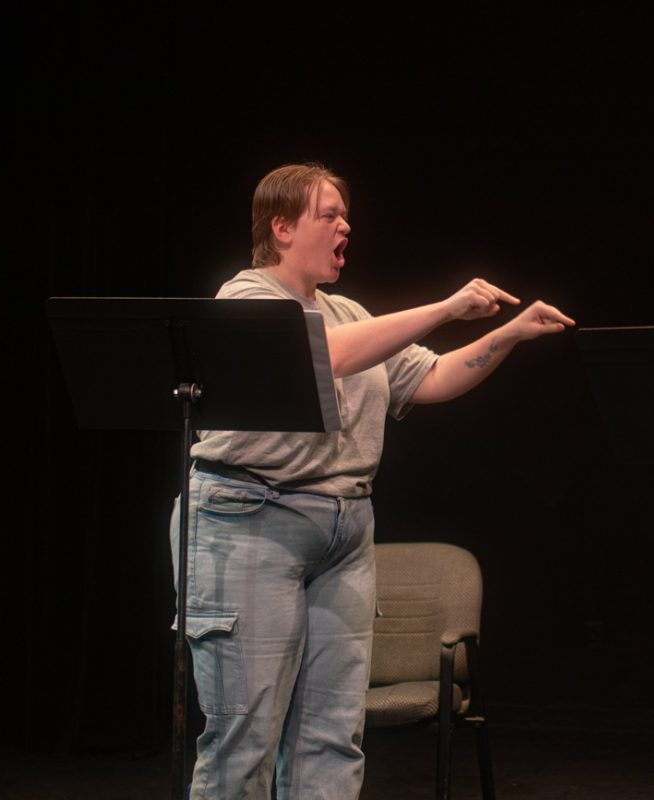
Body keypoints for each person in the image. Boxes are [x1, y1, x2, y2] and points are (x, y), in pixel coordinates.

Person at [169, 162, 574, 799]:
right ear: (281, 227)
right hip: (251, 519)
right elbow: (321, 357)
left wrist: (509, 335)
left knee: (332, 734)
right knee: (244, 734)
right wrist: (446, 305)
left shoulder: (347, 310)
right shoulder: (244, 298)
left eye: (344, 215)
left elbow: (431, 378)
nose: (344, 225)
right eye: (328, 214)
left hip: (343, 530)